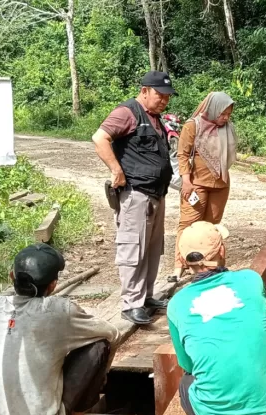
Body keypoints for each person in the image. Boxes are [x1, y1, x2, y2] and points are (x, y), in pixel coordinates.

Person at [0, 244, 120, 415]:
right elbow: (113, 334)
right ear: (53, 285)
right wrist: (100, 379)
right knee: (99, 345)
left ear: (11, 276)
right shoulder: (58, 310)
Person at [168, 221, 266, 415]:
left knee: (186, 382)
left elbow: (187, 364)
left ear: (182, 259)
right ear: (222, 250)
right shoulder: (250, 280)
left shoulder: (177, 304)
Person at [92, 71, 177, 325]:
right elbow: (100, 138)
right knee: (133, 248)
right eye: (159, 95)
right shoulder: (127, 112)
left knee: (151, 249)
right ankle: (131, 303)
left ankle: (145, 297)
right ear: (144, 91)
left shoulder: (155, 118)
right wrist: (116, 170)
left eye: (167, 97)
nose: (164, 100)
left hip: (155, 195)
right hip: (135, 194)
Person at [171, 92, 237, 283]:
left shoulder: (227, 128)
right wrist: (186, 181)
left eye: (228, 114)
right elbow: (182, 154)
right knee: (188, 225)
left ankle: (210, 264)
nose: (225, 118)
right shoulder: (193, 126)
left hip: (221, 184)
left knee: (211, 226)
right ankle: (179, 266)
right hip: (196, 184)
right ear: (213, 109)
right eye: (222, 114)